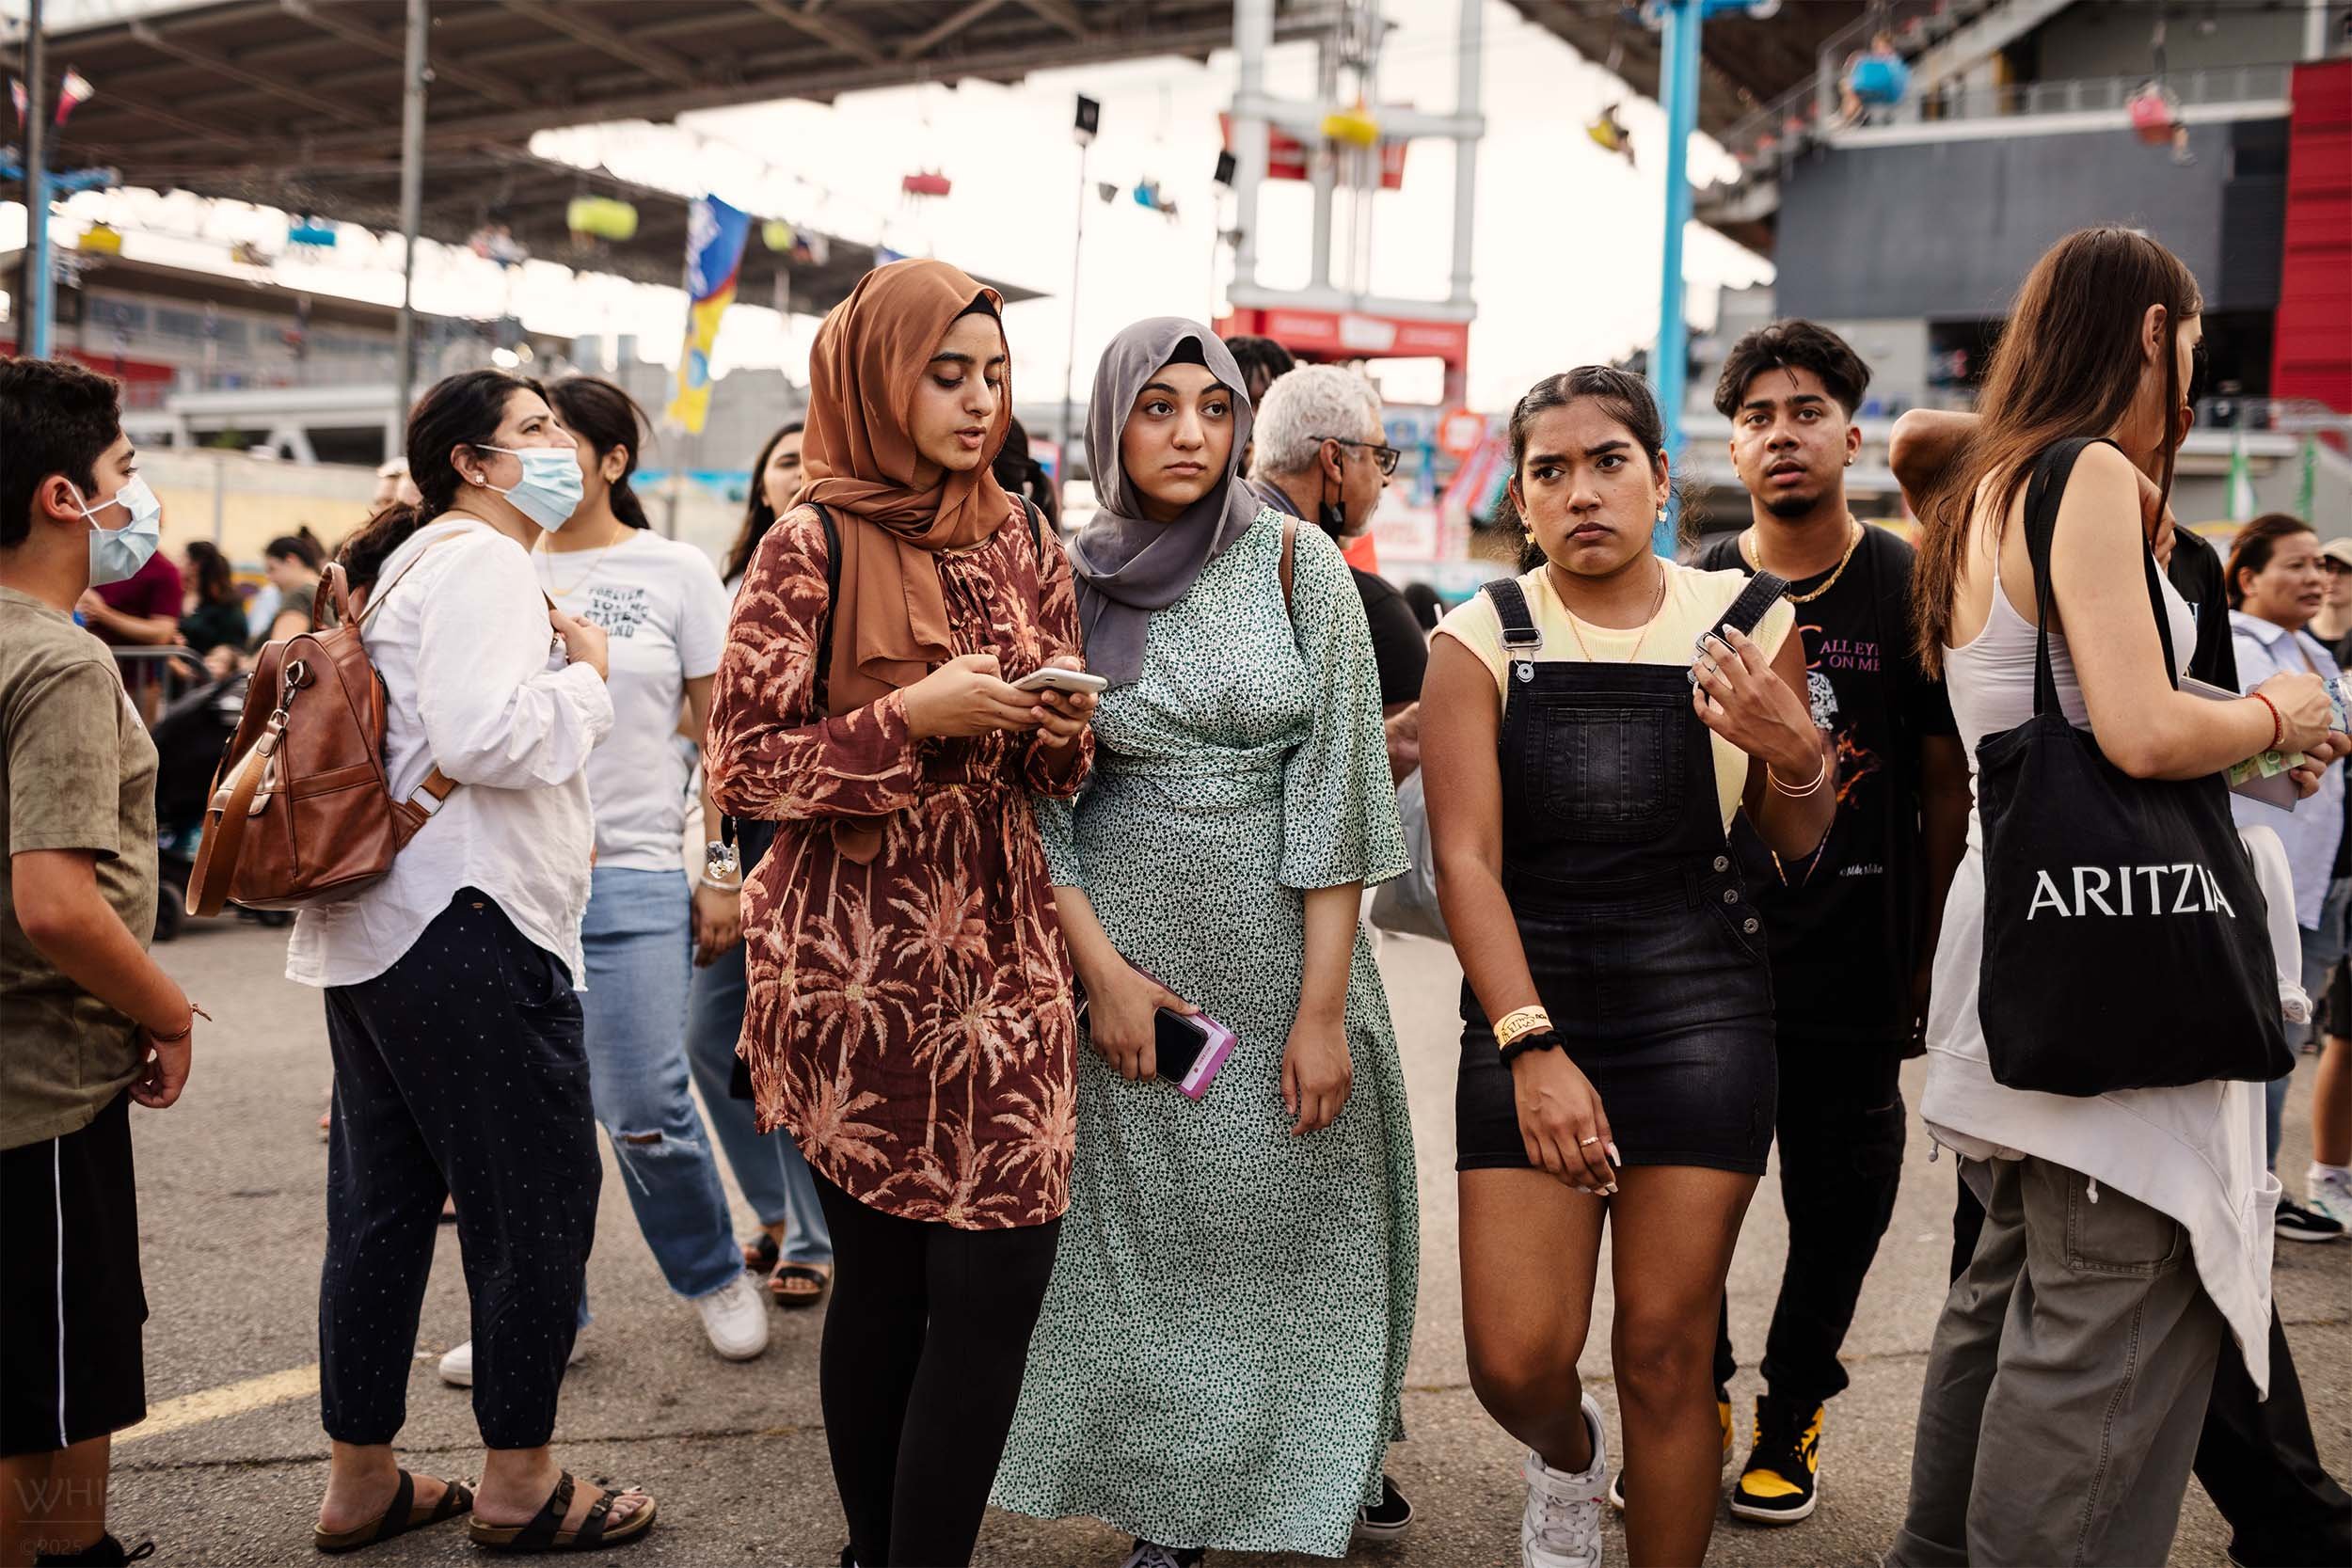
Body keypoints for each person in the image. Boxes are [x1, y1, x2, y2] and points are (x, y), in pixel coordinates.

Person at [1885, 226, 2339, 1568]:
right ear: (2151, 332)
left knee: (2011, 1283)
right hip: (2118, 936)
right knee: (2106, 1306)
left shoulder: (1990, 484)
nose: (2193, 376)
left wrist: (2253, 745)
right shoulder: (2078, 474)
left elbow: (2072, 710)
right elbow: (2138, 733)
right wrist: (2278, 700)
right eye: (2189, 345)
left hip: (2028, 920)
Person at [991, 321, 1419, 1565]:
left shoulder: (1298, 563)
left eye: (1215, 409)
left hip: (1294, 957)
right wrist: (1105, 981)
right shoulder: (1066, 576)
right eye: (1159, 407)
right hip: (1134, 971)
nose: (1189, 434)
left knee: (1303, 1239)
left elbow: (1340, 787)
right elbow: (1038, 806)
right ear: (1113, 420)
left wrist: (1323, 1009)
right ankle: (1168, 1512)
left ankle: (1322, 1457)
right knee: (1154, 1254)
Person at [704, 259, 1095, 1568]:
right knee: (878, 1284)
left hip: (1007, 948)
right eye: (948, 373)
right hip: (855, 959)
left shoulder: (1026, 532)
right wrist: (906, 721)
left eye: (993, 375)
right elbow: (746, 760)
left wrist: (1051, 724)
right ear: (881, 376)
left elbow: (1057, 768)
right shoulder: (808, 538)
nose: (979, 400)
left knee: (995, 1291)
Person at [1423, 366, 1830, 1568]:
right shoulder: (1477, 633)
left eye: (1609, 460)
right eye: (1549, 470)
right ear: (1522, 497)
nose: (1580, 491)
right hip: (1524, 998)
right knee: (1516, 1360)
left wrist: (1794, 753)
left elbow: (1792, 842)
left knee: (1663, 1345)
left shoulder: (1749, 618)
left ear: (1660, 478)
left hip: (1699, 1000)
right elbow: (1465, 865)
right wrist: (1532, 1045)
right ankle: (1563, 1451)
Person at [290, 368, 658, 1554]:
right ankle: (520, 1481)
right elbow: (488, 734)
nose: (562, 446)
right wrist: (590, 680)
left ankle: (363, 1477)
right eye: (536, 429)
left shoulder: (417, 561)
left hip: (385, 929)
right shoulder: (485, 560)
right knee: (533, 1206)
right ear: (473, 460)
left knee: (383, 1209)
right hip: (471, 924)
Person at [1661, 321, 1969, 1527]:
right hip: (1715, 961)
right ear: (1730, 447)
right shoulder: (1699, 585)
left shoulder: (1907, 582)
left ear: (1852, 434)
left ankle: (1794, 1407)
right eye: (1755, 417)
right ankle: (1703, 1402)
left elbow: (1944, 784)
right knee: (1689, 1202)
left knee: (1839, 1213)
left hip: (1856, 961)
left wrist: (1929, 949)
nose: (1780, 434)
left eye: (1804, 412)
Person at [446, 374, 763, 1372]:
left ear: (614, 459)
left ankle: (715, 1271)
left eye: (562, 437)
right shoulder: (486, 561)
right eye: (527, 435)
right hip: (505, 879)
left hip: (628, 871)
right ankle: (547, 1313)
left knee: (644, 1104)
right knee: (521, 1119)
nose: (544, 455)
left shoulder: (672, 570)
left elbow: (725, 742)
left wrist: (721, 870)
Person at [1, 356, 200, 1568]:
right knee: (47, 1393)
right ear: (66, 499)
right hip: (41, 1086)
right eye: (127, 471)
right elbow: (58, 905)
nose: (143, 495)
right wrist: (169, 1006)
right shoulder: (61, 661)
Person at [689, 419, 837, 1309]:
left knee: (791, 1040)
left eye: (812, 458)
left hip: (816, 839)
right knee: (709, 1038)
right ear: (760, 486)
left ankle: (811, 1231)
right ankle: (778, 1207)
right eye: (784, 458)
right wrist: (717, 867)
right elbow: (714, 745)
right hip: (739, 844)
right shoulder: (728, 587)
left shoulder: (851, 572)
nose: (801, 471)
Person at [2225, 513, 2349, 1243]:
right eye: (2297, 566)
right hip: (2268, 879)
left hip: (2310, 878)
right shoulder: (2243, 648)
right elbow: (2262, 744)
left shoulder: (2304, 647)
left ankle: (2260, 1201)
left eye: (2320, 568)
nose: (2316, 579)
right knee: (2267, 1052)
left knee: (2284, 1046)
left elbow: (2327, 735)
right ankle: (2252, 1207)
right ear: (2248, 577)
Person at [1250, 365, 1426, 781]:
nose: (1385, 479)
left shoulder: (1195, 546)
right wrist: (1388, 742)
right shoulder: (1364, 601)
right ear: (1334, 459)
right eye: (1379, 456)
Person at [175, 539, 247, 657]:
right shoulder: (177, 596)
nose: (176, 563)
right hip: (173, 668)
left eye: (182, 558)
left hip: (209, 669)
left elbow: (234, 644)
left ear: (195, 565)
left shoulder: (226, 603)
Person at [258, 530, 326, 644]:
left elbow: (279, 651)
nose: (269, 578)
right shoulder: (327, 592)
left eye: (272, 569)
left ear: (291, 560)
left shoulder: (300, 596)